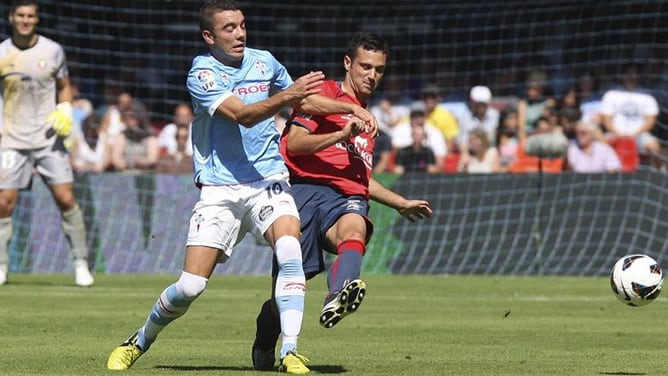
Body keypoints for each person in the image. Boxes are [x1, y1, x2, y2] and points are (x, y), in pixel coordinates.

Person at [106, 1, 378, 374]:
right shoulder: (202, 73)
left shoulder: (264, 60)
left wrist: (349, 109)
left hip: (269, 180)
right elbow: (245, 116)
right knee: (189, 288)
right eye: (229, 28)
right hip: (221, 190)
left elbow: (306, 100)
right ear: (209, 37)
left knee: (290, 252)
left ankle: (290, 351)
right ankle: (138, 340)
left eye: (242, 25)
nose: (239, 34)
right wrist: (289, 96)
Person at [251, 32, 432, 371]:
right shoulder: (323, 95)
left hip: (345, 198)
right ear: (348, 64)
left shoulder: (366, 116)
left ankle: (338, 294)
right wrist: (341, 132)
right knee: (286, 295)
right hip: (302, 192)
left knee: (355, 228)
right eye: (365, 66)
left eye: (379, 69)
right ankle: (265, 337)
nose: (372, 75)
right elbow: (294, 146)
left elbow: (358, 179)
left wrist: (400, 202)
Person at [0, 0, 94, 287]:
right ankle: (1, 266)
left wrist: (65, 109)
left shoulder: (52, 50)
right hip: (12, 139)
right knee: (4, 203)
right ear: (12, 17)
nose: (26, 20)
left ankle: (81, 264)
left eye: (31, 16)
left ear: (36, 19)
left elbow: (64, 85)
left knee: (65, 198)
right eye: (21, 15)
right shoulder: (2, 52)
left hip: (48, 138)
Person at [600, 64, 663, 167]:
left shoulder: (647, 95)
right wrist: (619, 135)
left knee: (654, 148)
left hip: (639, 135)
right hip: (615, 134)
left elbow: (650, 121)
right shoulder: (611, 94)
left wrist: (634, 135)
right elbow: (606, 120)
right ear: (622, 75)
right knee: (598, 145)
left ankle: (660, 172)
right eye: (628, 74)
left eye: (634, 74)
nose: (631, 77)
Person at [391, 101, 447, 171]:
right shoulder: (400, 129)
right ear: (410, 116)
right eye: (414, 115)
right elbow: (395, 151)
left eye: (420, 115)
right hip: (405, 167)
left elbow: (440, 161)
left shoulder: (435, 132)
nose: (417, 118)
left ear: (425, 116)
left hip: (427, 170)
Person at [456, 85, 500, 169]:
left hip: (489, 151)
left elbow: (492, 139)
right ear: (473, 103)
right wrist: (465, 153)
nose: (481, 106)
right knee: (463, 162)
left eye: (483, 103)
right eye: (478, 103)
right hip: (470, 152)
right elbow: (462, 140)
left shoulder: (495, 115)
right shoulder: (465, 117)